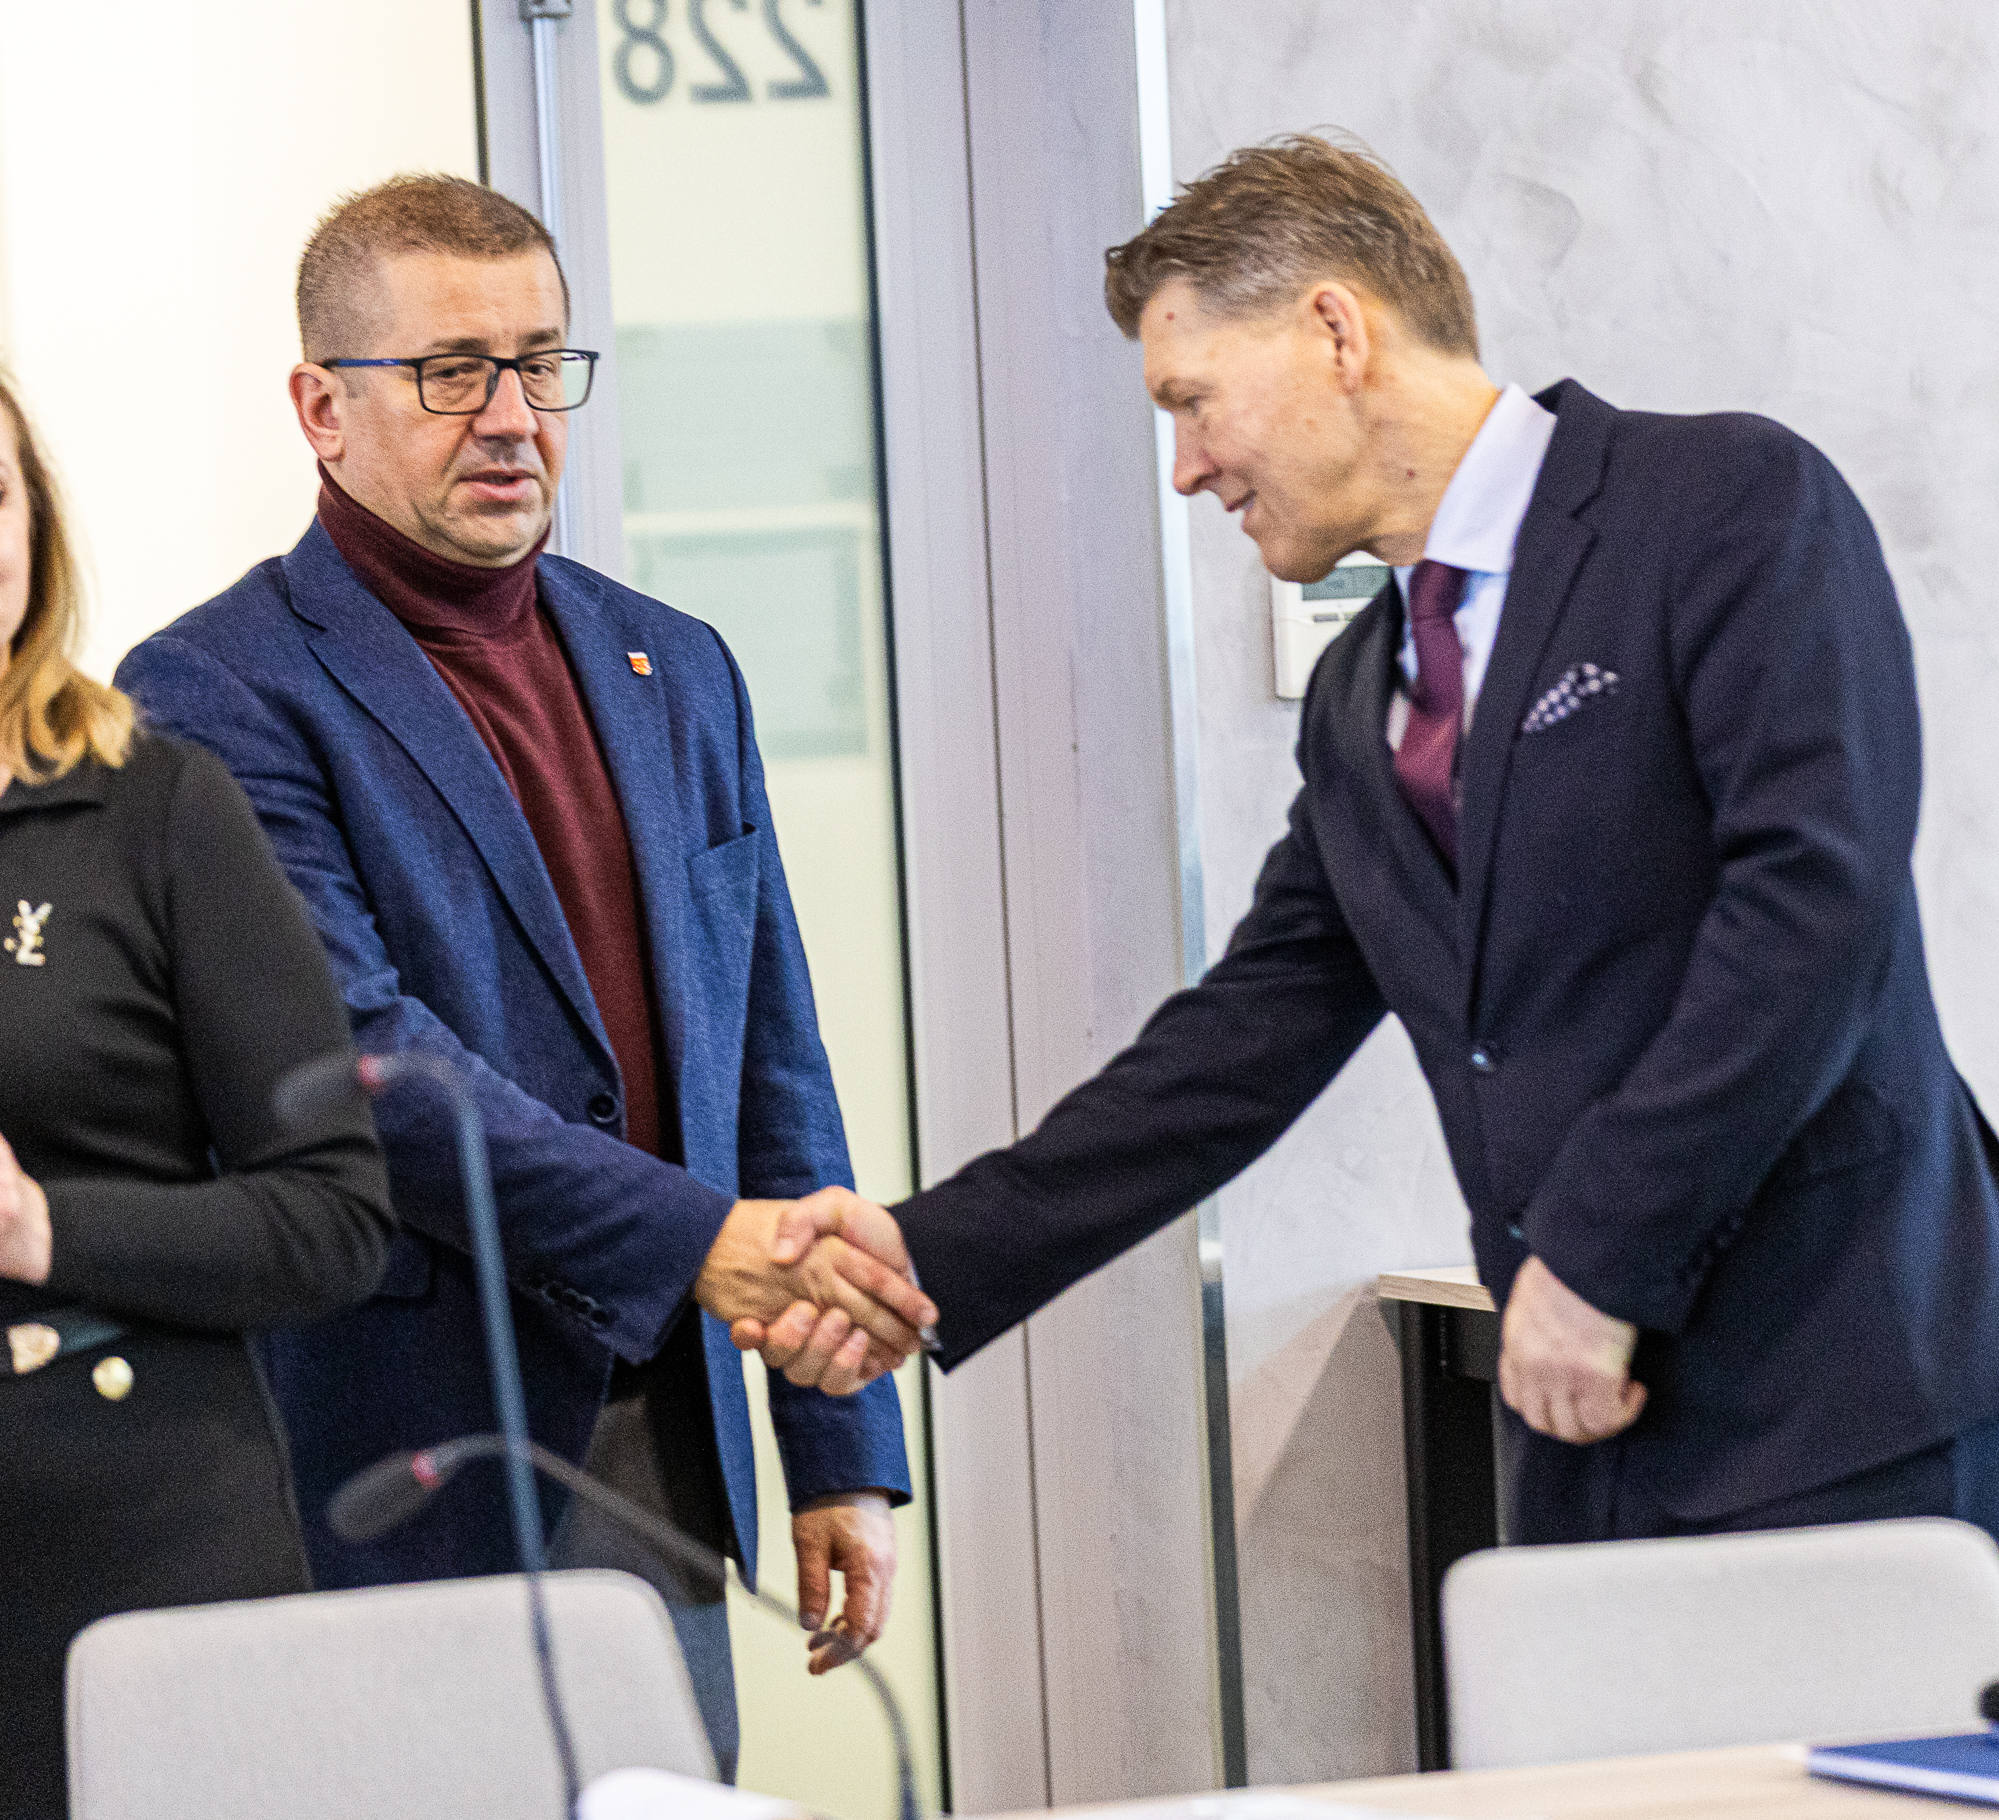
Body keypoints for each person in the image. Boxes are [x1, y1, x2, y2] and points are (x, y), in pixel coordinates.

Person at [739, 135, 1999, 1547]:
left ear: (1336, 330)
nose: (1186, 467)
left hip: (1844, 1395)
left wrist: (1598, 1260)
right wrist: (924, 1253)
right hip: (1579, 1433)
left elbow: (1812, 912)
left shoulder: (1726, 502)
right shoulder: (1362, 696)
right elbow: (1240, 1044)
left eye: (1193, 402)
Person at [116, 176, 933, 1778]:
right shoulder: (213, 692)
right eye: (449, 371)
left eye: (540, 363)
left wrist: (838, 1437)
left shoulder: (676, 664)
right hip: (391, 1459)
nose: (509, 417)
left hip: (661, 1445)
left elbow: (771, 1060)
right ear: (321, 409)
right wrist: (703, 1245)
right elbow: (358, 1066)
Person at [0, 371, 396, 1818]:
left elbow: (334, 1221)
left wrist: (43, 1227)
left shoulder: (156, 806)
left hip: (133, 1560)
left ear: (34, 527)